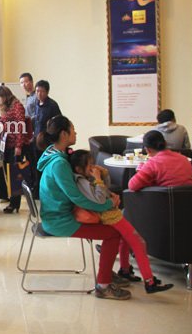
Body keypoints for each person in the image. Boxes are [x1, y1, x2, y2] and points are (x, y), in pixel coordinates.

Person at [37, 115, 131, 300]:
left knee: (112, 228)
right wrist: (107, 204)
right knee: (114, 233)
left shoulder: (53, 154)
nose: (76, 132)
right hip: (59, 221)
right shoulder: (59, 164)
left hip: (58, 215)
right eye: (73, 129)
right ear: (64, 134)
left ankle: (105, 271)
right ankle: (104, 285)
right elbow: (77, 198)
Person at [69, 150, 173, 294]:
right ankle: (150, 281)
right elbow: (100, 198)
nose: (93, 168)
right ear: (79, 169)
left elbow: (104, 189)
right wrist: (98, 179)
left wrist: (103, 175)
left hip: (112, 213)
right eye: (89, 165)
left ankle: (125, 270)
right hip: (110, 216)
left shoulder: (86, 178)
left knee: (125, 240)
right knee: (138, 242)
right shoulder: (81, 181)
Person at [0, 85, 32, 214]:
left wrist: (18, 146)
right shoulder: (6, 107)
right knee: (8, 174)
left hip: (15, 145)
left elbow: (20, 127)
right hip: (7, 145)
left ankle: (14, 203)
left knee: (14, 175)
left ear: (4, 96)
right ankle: (12, 201)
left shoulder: (17, 106)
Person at [128, 130, 192, 191]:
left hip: (165, 198)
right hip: (189, 198)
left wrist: (141, 170)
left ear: (147, 150)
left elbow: (132, 186)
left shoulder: (152, 164)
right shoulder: (184, 159)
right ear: (165, 143)